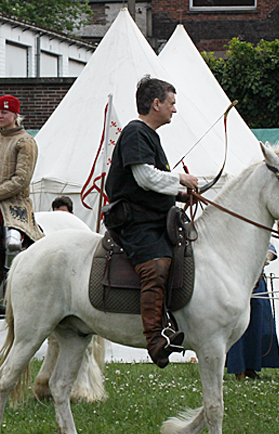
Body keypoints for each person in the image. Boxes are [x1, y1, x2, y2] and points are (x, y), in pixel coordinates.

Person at [104, 76, 198, 368]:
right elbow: (144, 177)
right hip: (136, 223)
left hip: (155, 218)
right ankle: (155, 339)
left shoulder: (149, 135)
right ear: (155, 104)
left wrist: (181, 195)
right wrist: (180, 178)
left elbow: (153, 183)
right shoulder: (135, 132)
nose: (174, 110)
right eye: (171, 103)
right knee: (157, 266)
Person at [0, 94, 44, 318]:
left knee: (13, 243)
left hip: (15, 205)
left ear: (15, 115)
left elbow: (21, 180)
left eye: (4, 112)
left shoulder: (26, 142)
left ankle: (9, 296)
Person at [226, 244, 279, 380]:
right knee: (238, 327)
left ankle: (252, 367)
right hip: (237, 282)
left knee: (258, 327)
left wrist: (267, 256)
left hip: (257, 283)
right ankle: (238, 369)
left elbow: (270, 247)